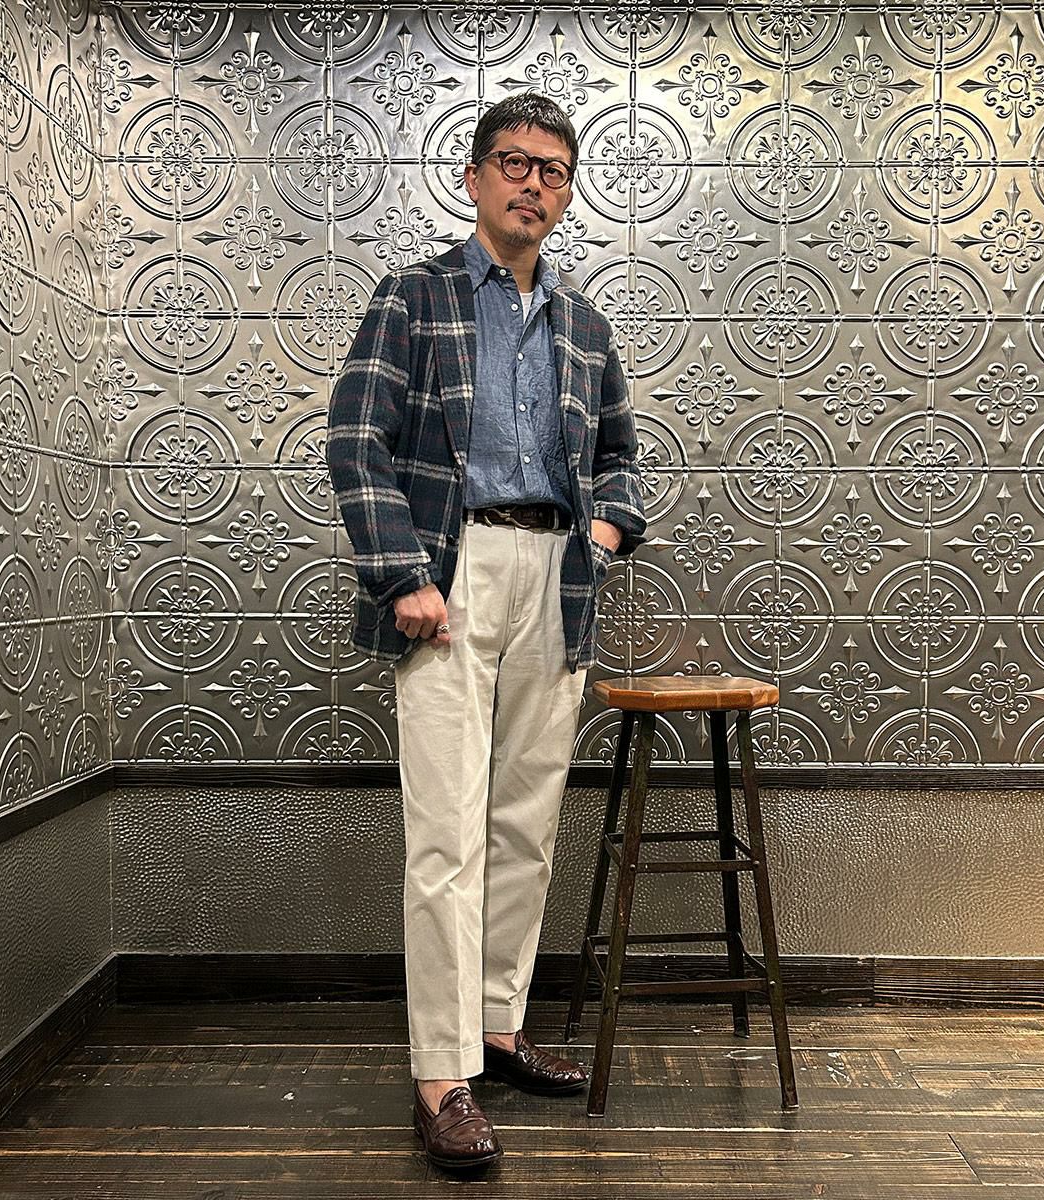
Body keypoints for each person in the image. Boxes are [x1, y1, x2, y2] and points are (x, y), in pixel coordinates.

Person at [327, 92, 647, 1172]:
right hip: (449, 575)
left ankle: (498, 1028)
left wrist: (604, 529)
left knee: (525, 822)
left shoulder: (583, 324)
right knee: (445, 833)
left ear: (567, 194)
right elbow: (355, 437)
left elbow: (620, 454)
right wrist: (401, 572)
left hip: (556, 576)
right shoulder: (414, 297)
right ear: (473, 178)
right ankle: (440, 1074)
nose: (533, 185)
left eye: (554, 171)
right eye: (515, 163)